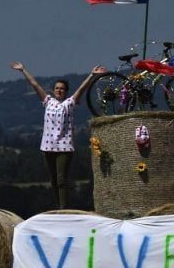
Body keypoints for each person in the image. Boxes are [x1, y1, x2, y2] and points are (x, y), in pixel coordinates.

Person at [11, 62, 106, 209]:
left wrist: (91, 75)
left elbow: (81, 88)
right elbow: (35, 85)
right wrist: (23, 70)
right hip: (47, 147)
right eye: (57, 88)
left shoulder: (69, 103)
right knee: (53, 180)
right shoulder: (48, 102)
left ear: (66, 91)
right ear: (53, 90)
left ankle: (63, 208)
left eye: (62, 89)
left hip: (64, 147)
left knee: (61, 179)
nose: (59, 91)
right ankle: (58, 205)